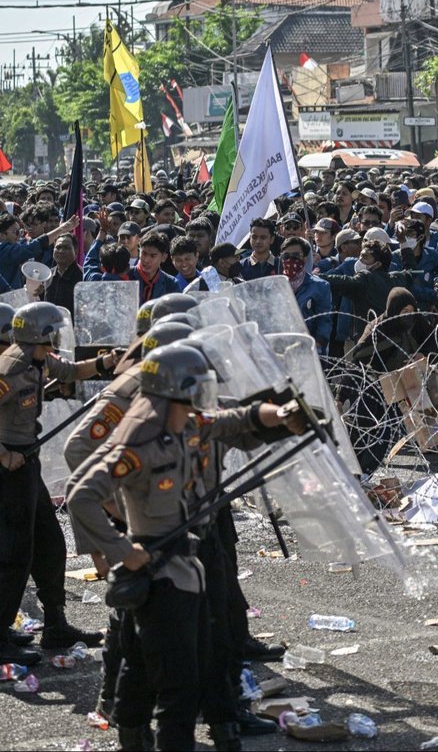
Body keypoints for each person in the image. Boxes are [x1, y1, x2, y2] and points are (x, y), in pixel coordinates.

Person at [67, 344, 302, 752]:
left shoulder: (185, 422)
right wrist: (122, 549)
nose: (204, 395)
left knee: (142, 666)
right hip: (159, 575)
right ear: (174, 390)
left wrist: (280, 414)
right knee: (179, 688)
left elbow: (235, 419)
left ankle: (132, 737)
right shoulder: (139, 440)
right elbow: (80, 495)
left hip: (183, 567)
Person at [0, 302, 119, 668]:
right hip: (9, 466)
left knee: (50, 542)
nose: (55, 337)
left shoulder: (39, 360)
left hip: (28, 462)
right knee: (14, 551)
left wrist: (107, 363)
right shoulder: (12, 366)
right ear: (38, 334)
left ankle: (56, 624)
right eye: (52, 331)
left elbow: (71, 370)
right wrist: (3, 453)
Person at [322, 239, 410, 340]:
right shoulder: (397, 278)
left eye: (365, 257)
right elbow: (411, 269)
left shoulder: (364, 281)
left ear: (377, 264)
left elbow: (340, 281)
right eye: (360, 256)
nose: (359, 261)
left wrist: (313, 277)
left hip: (366, 343)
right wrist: (403, 242)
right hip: (393, 340)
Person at [280, 236, 332, 355]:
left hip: (309, 350)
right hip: (283, 351)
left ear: (304, 258)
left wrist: (317, 345)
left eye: (295, 256)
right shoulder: (275, 286)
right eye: (286, 256)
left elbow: (324, 320)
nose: (290, 260)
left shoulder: (320, 286)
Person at [0, 211, 79, 289]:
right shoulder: (2, 250)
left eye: (20, 232)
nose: (19, 236)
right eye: (16, 232)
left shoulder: (16, 245)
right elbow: (32, 247)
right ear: (2, 235)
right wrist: (61, 229)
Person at [130, 230, 180, 302]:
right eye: (144, 253)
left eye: (153, 256)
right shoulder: (125, 276)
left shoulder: (171, 284)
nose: (146, 260)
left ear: (164, 257)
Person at [45, 234, 83, 321]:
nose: (61, 251)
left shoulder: (82, 277)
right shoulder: (47, 275)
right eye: (58, 247)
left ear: (76, 251)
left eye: (66, 248)